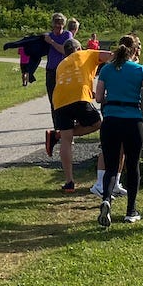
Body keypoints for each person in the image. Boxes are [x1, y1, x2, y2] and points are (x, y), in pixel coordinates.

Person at [94, 34, 143, 225]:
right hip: (132, 119)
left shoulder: (107, 69)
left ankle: (106, 198)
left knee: (112, 166)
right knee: (132, 164)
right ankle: (131, 210)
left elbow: (98, 97)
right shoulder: (140, 70)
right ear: (136, 50)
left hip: (111, 120)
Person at [46, 38, 113, 193]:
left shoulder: (61, 65)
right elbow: (109, 55)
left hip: (60, 101)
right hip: (78, 98)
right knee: (97, 123)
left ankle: (69, 182)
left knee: (66, 139)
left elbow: (73, 81)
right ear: (79, 48)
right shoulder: (87, 53)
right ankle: (57, 135)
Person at [43, 13, 74, 110]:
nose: (58, 26)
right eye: (56, 23)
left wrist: (51, 42)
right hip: (51, 71)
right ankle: (56, 124)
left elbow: (65, 50)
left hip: (64, 71)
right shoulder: (49, 36)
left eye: (60, 23)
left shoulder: (67, 34)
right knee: (53, 101)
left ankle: (67, 123)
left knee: (66, 100)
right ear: (53, 24)